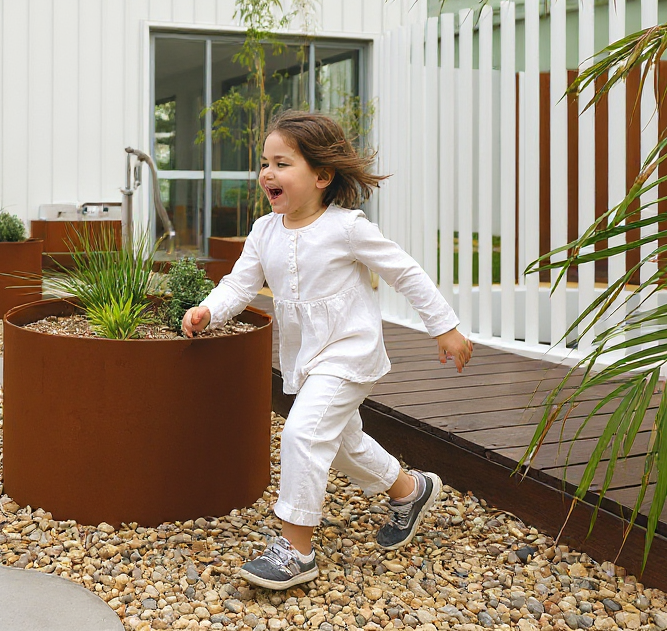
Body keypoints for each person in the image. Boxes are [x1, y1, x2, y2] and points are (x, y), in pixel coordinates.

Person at [182, 110, 473, 591]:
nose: (268, 174)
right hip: (307, 358)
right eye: (264, 163)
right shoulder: (264, 230)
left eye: (282, 164)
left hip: (350, 353)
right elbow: (239, 284)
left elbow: (404, 272)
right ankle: (411, 490)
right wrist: (209, 311)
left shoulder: (347, 228)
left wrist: (445, 326)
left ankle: (295, 551)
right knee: (342, 444)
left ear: (322, 176)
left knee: (303, 432)